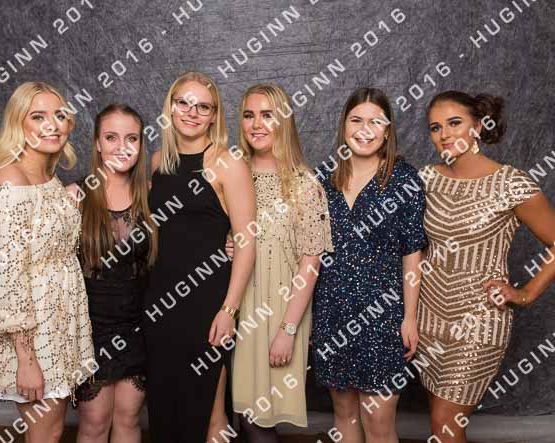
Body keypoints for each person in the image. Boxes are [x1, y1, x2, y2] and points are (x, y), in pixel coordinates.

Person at [416, 90, 555, 443]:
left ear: (478, 126)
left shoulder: (511, 183)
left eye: (454, 123)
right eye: (435, 127)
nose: (444, 134)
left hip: (479, 321)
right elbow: (413, 247)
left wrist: (524, 294)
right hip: (427, 318)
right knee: (440, 423)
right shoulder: (426, 179)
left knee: (445, 423)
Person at [0, 81, 94, 443]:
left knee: (51, 432)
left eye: (59, 116)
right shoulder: (9, 178)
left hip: (62, 323)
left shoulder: (48, 176)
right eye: (38, 117)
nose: (52, 125)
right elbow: (8, 277)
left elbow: (49, 242)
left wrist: (68, 201)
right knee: (46, 435)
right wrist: (26, 359)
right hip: (33, 335)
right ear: (18, 123)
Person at [143, 71, 256, 442]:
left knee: (210, 414)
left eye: (203, 107)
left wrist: (229, 309)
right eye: (184, 103)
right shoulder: (158, 161)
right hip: (160, 301)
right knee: (165, 408)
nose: (192, 113)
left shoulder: (228, 163)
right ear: (171, 108)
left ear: (213, 116)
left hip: (206, 303)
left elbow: (246, 242)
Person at [312, 88, 427, 443]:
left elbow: (412, 252)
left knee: (378, 422)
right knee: (344, 414)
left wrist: (410, 317)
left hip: (383, 314)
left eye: (375, 122)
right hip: (332, 311)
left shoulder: (404, 180)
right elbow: (301, 242)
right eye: (356, 120)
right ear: (344, 126)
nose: (365, 130)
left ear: (387, 131)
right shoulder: (324, 179)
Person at [230, 83, 333, 442]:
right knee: (238, 415)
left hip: (278, 311)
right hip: (234, 306)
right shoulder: (233, 174)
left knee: (258, 419)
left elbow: (310, 264)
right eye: (249, 115)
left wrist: (288, 330)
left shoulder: (304, 185)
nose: (256, 124)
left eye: (267, 115)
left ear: (284, 121)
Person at [66, 104, 157, 443]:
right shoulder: (75, 196)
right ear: (97, 143)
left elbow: (191, 241)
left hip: (138, 324)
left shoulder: (152, 194)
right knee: (95, 423)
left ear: (141, 144)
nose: (122, 147)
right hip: (91, 327)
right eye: (111, 137)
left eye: (131, 138)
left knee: (129, 418)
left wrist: (228, 243)